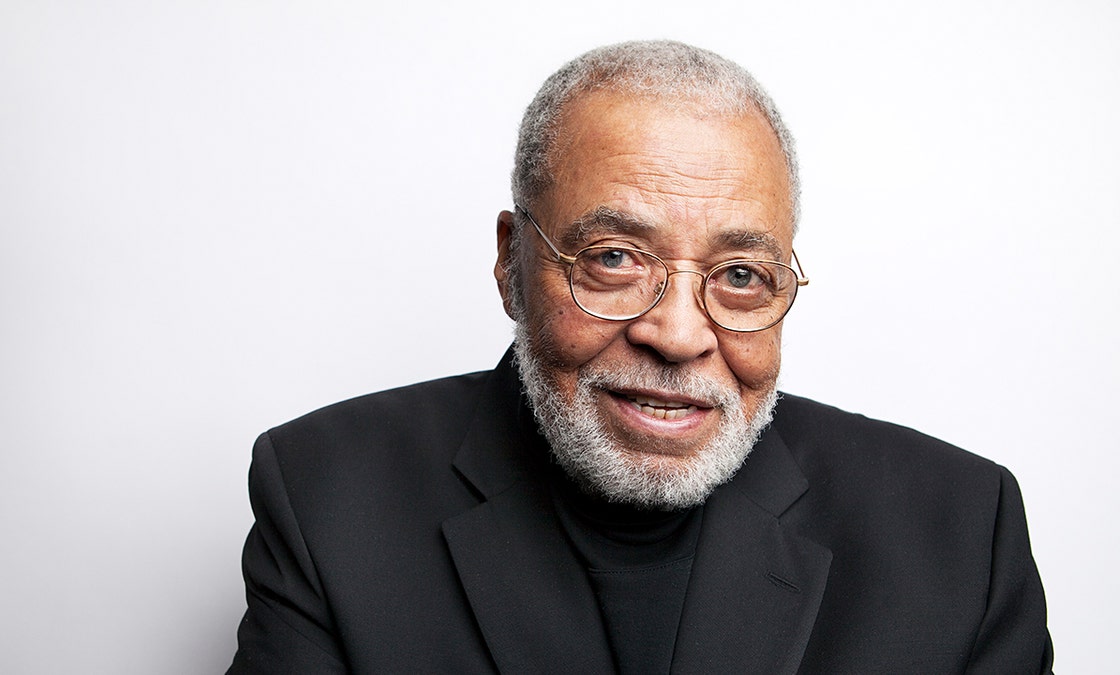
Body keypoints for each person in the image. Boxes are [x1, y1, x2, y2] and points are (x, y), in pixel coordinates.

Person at [227, 40, 1053, 673]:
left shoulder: (960, 534)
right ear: (513, 264)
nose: (680, 334)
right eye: (615, 258)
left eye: (739, 275)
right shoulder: (328, 499)